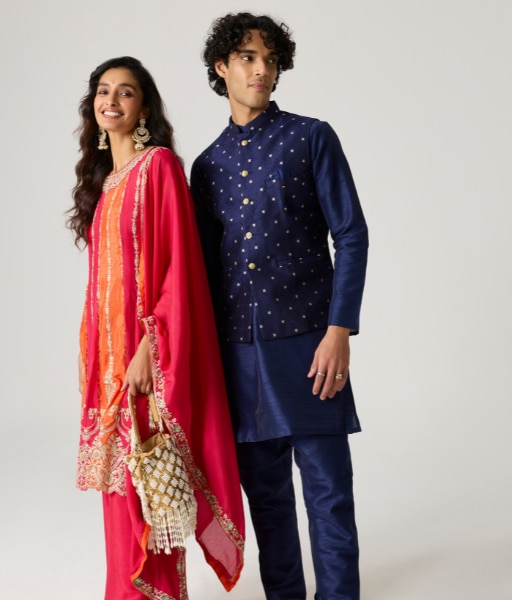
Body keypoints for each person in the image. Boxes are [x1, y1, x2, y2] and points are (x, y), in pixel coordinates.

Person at [190, 13, 369, 600]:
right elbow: (202, 271)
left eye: (270, 58)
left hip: (310, 344)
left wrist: (339, 330)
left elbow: (351, 234)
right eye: (247, 57)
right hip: (239, 355)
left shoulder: (311, 137)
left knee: (328, 493)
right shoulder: (207, 166)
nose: (261, 69)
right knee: (266, 500)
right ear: (222, 67)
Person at [67, 56, 245, 599]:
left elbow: (179, 268)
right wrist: (88, 352)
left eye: (125, 92)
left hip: (146, 359)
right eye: (103, 91)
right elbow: (102, 284)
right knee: (119, 495)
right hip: (107, 364)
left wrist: (151, 345)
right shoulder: (105, 186)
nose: (111, 101)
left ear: (144, 108)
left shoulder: (158, 167)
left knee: (149, 487)